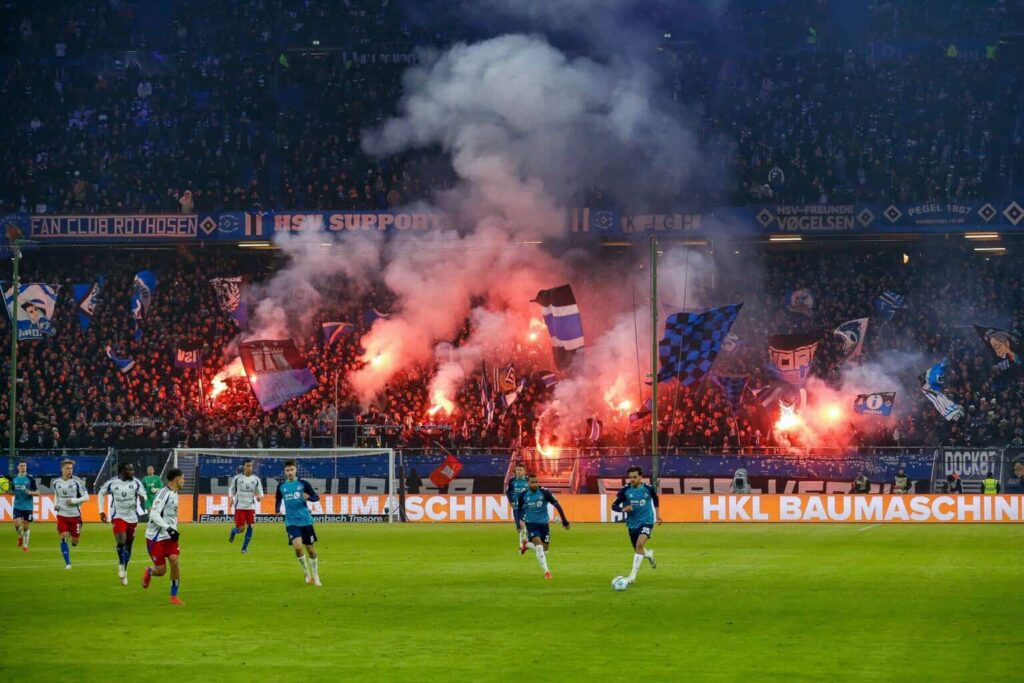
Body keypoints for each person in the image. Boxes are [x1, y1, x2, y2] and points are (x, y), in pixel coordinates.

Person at [97, 462, 148, 585]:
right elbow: (100, 493)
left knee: (128, 546)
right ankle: (121, 564)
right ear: (122, 471)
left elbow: (144, 494)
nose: (132, 472)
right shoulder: (112, 483)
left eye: (132, 469)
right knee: (121, 542)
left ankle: (124, 569)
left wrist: (143, 498)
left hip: (132, 518)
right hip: (118, 516)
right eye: (129, 470)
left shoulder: (136, 483)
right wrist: (101, 511)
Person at [611, 466, 662, 585]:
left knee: (639, 544)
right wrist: (623, 509)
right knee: (638, 550)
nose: (632, 479)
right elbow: (613, 506)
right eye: (630, 477)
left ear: (641, 477)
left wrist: (658, 514)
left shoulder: (648, 488)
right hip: (632, 523)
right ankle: (649, 555)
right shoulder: (624, 490)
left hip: (647, 521)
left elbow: (655, 499)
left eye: (635, 477)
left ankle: (632, 576)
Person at [275, 460, 322, 586]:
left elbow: (316, 497)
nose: (290, 472)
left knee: (310, 549)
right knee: (297, 546)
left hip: (305, 521)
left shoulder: (303, 484)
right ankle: (307, 572)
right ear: (285, 472)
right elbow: (278, 499)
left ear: (296, 470)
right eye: (287, 470)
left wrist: (309, 497)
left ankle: (316, 574)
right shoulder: (281, 486)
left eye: (291, 469)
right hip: (291, 522)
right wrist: (277, 510)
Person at [143, 468, 185, 605]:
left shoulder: (175, 494)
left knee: (174, 561)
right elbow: (154, 514)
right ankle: (149, 571)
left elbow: (171, 516)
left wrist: (173, 530)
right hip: (155, 537)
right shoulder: (163, 493)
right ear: (177, 479)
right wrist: (168, 528)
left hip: (170, 536)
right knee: (161, 571)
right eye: (183, 478)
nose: (184, 481)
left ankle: (174, 596)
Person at [516, 473, 570, 579]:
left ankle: (526, 544)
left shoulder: (545, 492)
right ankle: (547, 572)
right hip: (531, 524)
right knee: (539, 547)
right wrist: (519, 522)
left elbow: (557, 505)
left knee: (545, 551)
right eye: (532, 482)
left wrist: (565, 521)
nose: (534, 484)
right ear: (528, 483)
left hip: (544, 524)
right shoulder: (523, 495)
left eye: (536, 482)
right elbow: (519, 509)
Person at [52, 459, 89, 570]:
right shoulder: (56, 482)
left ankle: (75, 535)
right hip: (62, 514)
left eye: (71, 469)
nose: (70, 471)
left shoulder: (77, 482)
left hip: (75, 515)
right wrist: (56, 504)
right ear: (62, 469)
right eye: (67, 468)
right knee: (63, 536)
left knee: (75, 542)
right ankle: (68, 563)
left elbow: (86, 497)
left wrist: (74, 501)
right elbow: (56, 495)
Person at [228, 459, 264, 553]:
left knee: (251, 526)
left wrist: (260, 497)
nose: (249, 468)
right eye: (247, 465)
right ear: (244, 466)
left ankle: (244, 548)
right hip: (239, 506)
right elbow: (231, 489)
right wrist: (231, 498)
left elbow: (261, 492)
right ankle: (233, 531)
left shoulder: (256, 479)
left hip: (251, 506)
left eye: (251, 466)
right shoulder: (237, 478)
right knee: (241, 529)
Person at [12, 460, 40, 553]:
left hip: (28, 506)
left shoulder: (30, 479)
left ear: (26, 467)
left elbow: (38, 493)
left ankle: (25, 545)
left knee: (26, 527)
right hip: (17, 505)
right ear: (18, 467)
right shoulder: (14, 479)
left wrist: (30, 492)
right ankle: (20, 536)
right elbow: (13, 491)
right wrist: (8, 492)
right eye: (21, 465)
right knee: (17, 523)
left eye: (24, 466)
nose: (23, 467)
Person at [506, 463, 530, 553]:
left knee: (521, 523)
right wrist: (511, 501)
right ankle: (526, 539)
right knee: (518, 528)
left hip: (525, 506)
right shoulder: (512, 481)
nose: (519, 472)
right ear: (515, 471)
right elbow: (508, 492)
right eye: (517, 470)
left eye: (521, 470)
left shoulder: (528, 480)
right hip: (516, 507)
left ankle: (522, 546)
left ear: (524, 471)